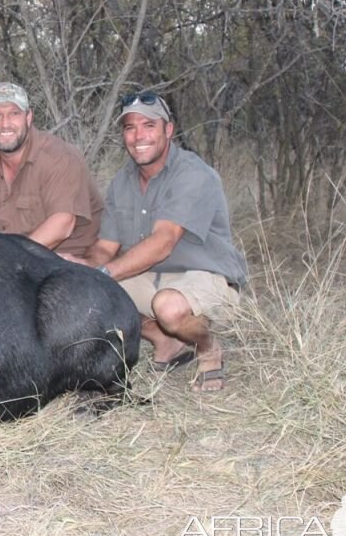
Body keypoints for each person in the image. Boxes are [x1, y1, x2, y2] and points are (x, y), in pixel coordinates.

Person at [74, 91, 247, 392]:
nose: (138, 135)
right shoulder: (121, 182)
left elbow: (163, 242)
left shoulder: (192, 174)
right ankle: (166, 341)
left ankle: (208, 348)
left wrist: (103, 275)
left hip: (206, 278)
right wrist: (78, 268)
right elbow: (105, 248)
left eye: (148, 125)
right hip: (153, 279)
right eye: (130, 127)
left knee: (167, 306)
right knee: (87, 295)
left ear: (169, 130)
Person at [0, 82, 103, 256]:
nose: (5, 124)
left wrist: (7, 259)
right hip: (13, 262)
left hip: (71, 262)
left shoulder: (59, 157)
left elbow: (62, 225)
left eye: (14, 114)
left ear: (28, 117)